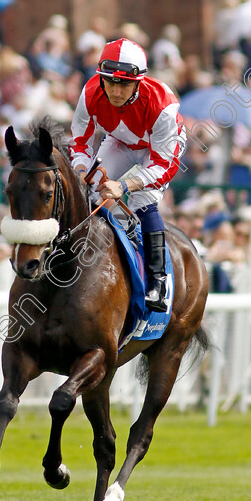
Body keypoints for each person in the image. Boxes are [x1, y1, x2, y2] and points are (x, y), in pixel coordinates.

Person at [69, 38, 186, 311]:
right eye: (109, 82)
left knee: (142, 201)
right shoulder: (90, 92)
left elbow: (162, 165)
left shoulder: (162, 105)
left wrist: (124, 185)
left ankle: (158, 283)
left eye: (123, 84)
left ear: (139, 82)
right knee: (90, 189)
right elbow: (79, 142)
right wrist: (82, 171)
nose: (115, 91)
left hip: (157, 153)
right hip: (120, 140)